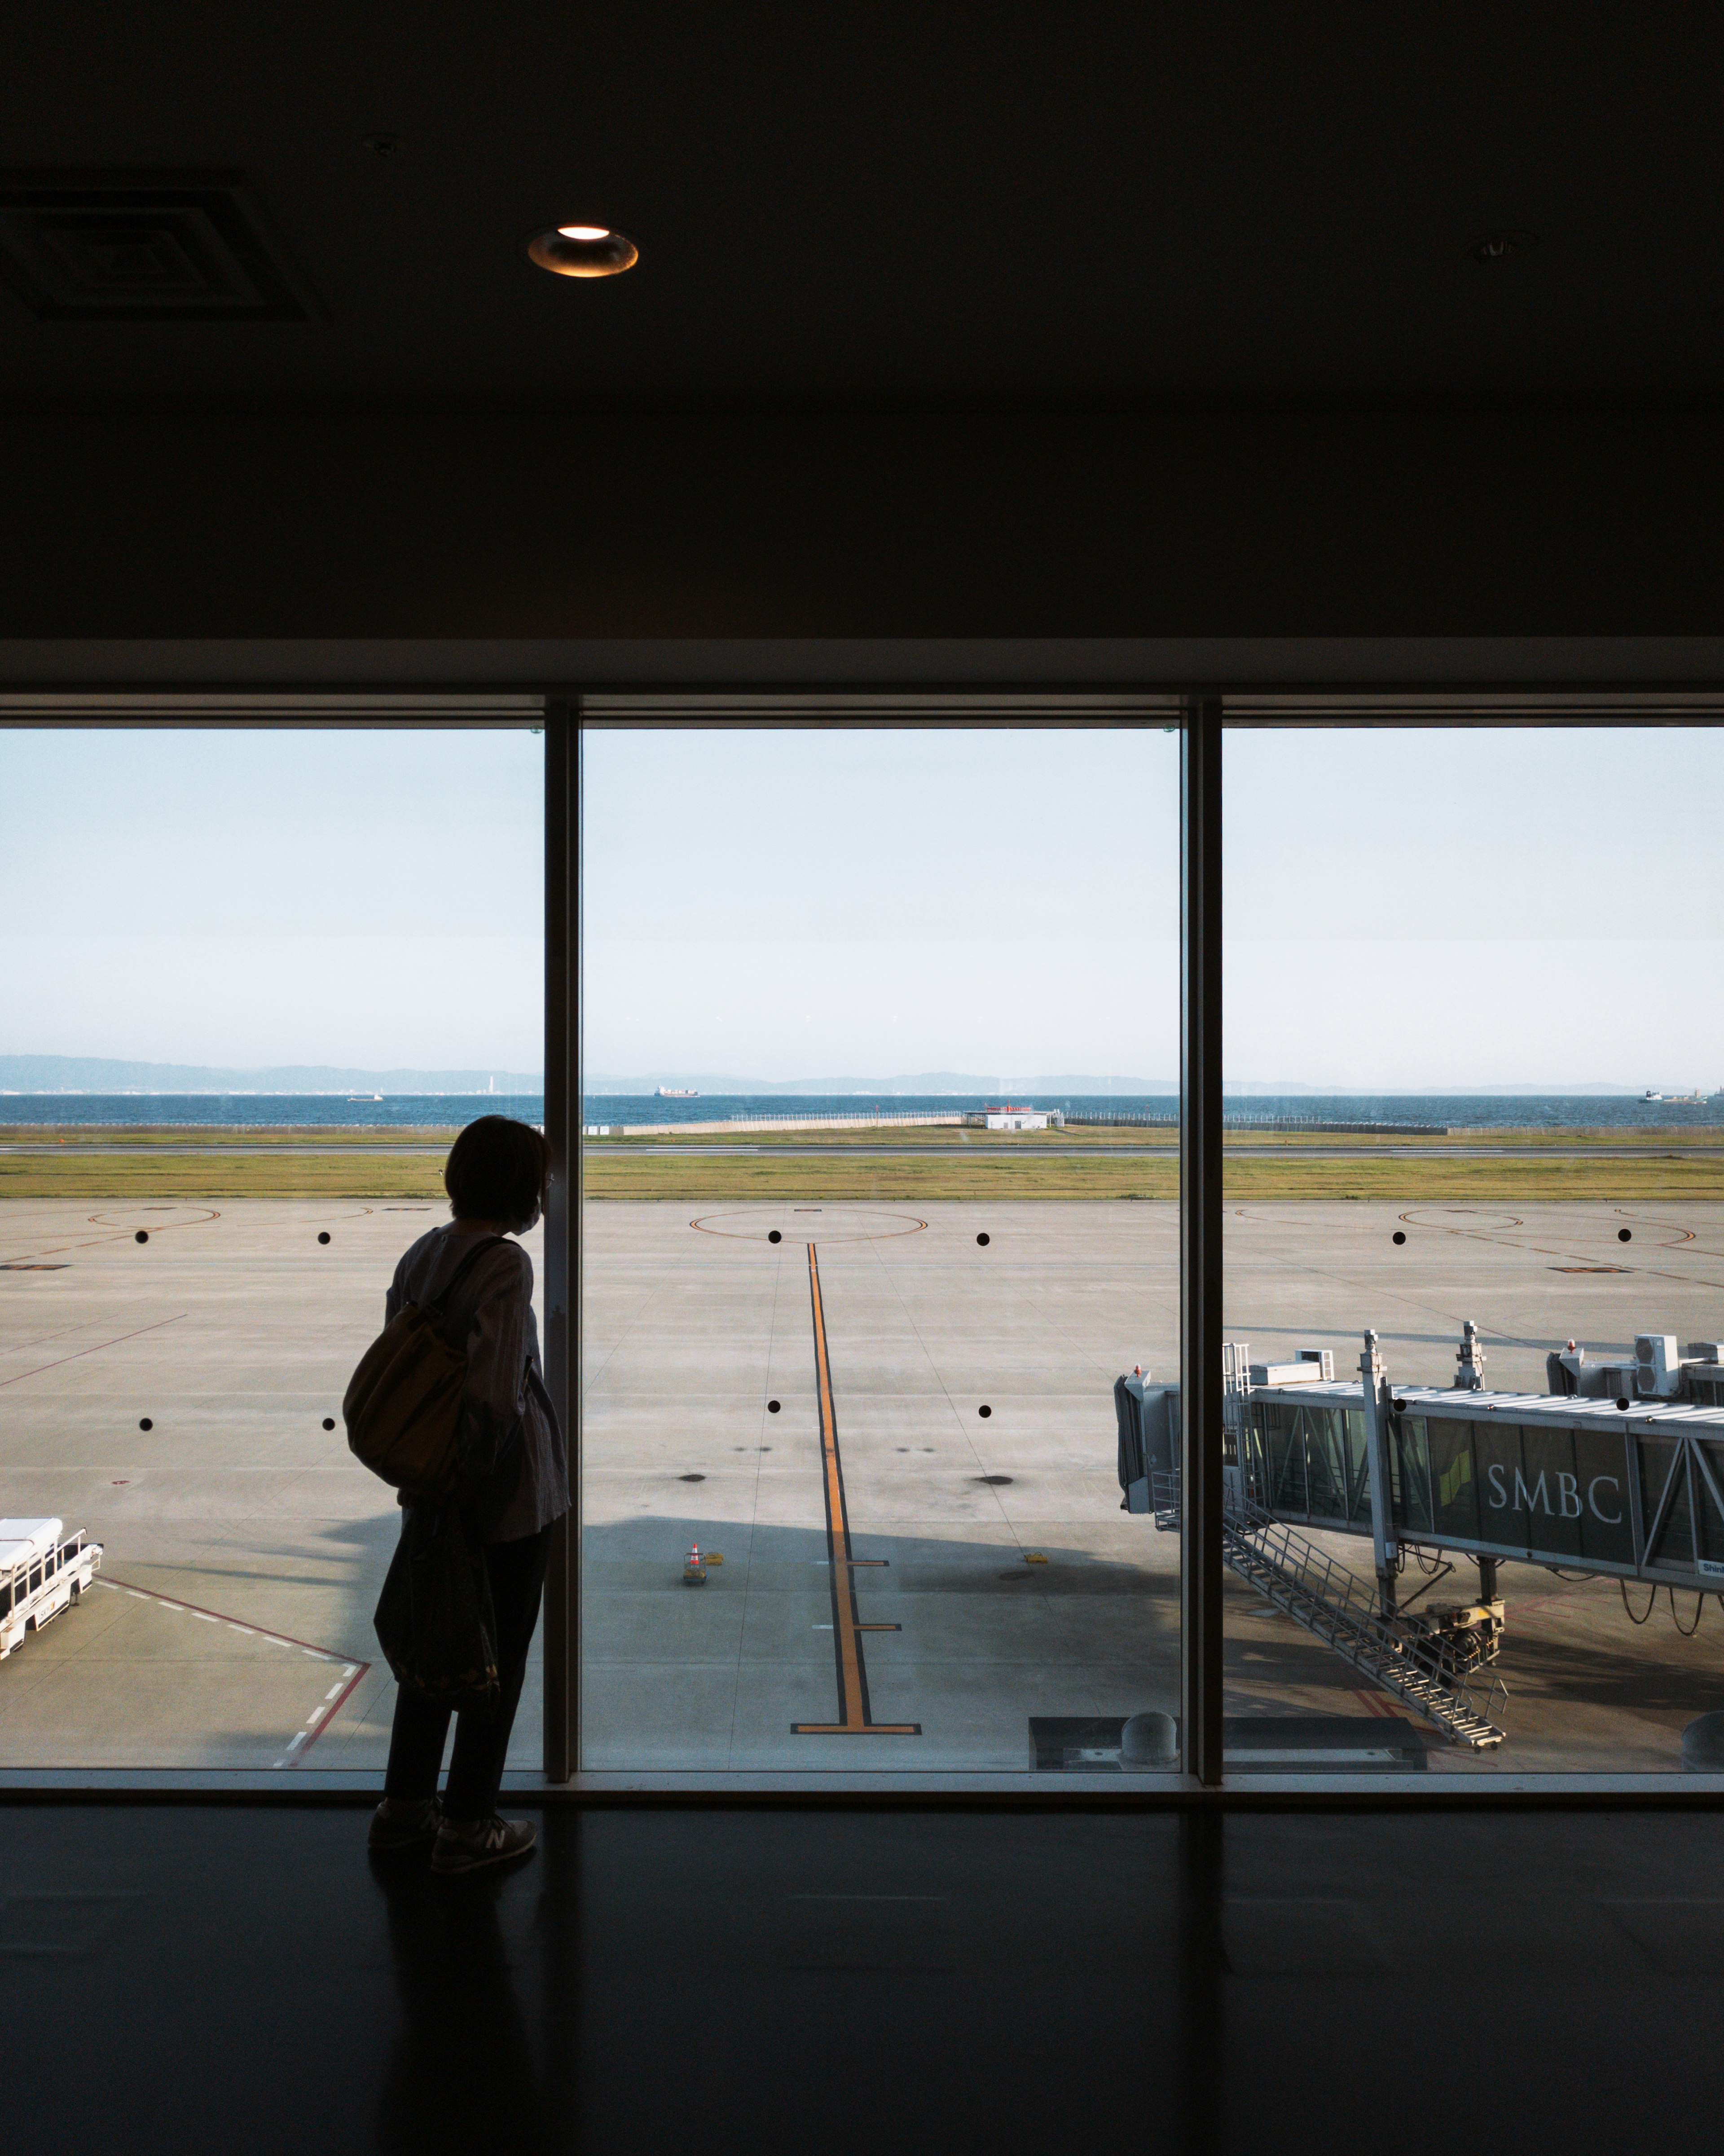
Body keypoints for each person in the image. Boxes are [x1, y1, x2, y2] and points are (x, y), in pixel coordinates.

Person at [367, 1115, 567, 1874]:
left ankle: (404, 1808)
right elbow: (492, 1398)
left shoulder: (423, 1253)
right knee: (496, 1664)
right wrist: (470, 1487)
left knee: (430, 1654)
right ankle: (468, 1825)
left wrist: (432, 1487)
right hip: (503, 1503)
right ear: (522, 1189)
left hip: (428, 1490)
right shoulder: (506, 1266)